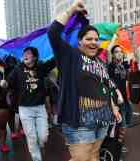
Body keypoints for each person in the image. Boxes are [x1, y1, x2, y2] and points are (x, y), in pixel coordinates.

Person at [47, 1, 122, 161]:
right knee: (81, 158)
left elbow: (105, 86)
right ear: (80, 41)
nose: (94, 42)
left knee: (94, 156)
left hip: (103, 118)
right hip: (79, 122)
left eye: (96, 39)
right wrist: (72, 9)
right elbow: (53, 32)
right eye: (89, 39)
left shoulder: (100, 62)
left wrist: (113, 107)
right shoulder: (70, 56)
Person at [6, 47, 55, 161]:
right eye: (24, 53)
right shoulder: (18, 69)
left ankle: (39, 144)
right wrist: (4, 84)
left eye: (28, 53)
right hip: (25, 109)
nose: (25, 55)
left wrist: (60, 48)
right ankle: (36, 158)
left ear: (35, 57)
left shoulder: (41, 68)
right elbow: (8, 83)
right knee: (31, 136)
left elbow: (54, 61)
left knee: (44, 137)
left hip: (40, 108)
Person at [108, 45, 132, 152]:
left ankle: (119, 144)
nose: (119, 53)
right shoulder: (110, 67)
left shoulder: (124, 66)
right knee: (121, 125)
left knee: (126, 123)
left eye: (121, 52)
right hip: (117, 100)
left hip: (126, 100)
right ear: (112, 54)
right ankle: (117, 147)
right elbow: (109, 84)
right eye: (116, 52)